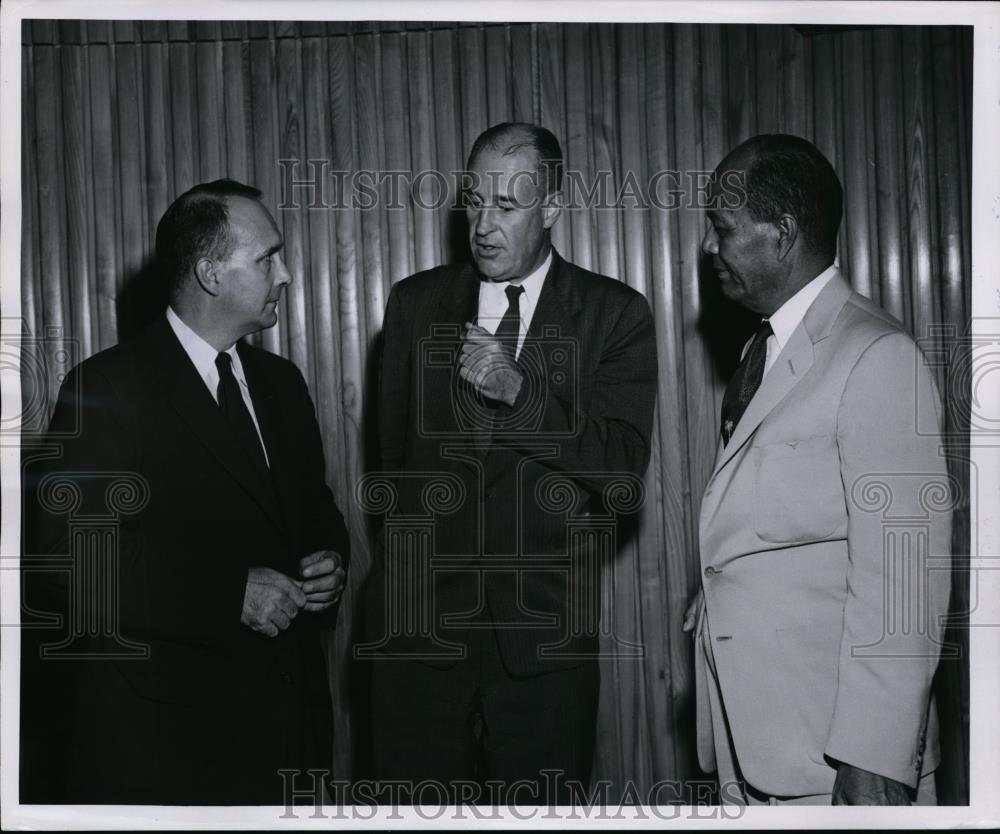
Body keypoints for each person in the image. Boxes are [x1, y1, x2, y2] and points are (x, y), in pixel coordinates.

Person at [22, 179, 350, 805]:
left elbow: (314, 511)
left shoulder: (282, 383)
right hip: (172, 753)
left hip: (290, 741)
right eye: (267, 258)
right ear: (209, 274)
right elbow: (75, 567)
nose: (285, 274)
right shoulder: (105, 390)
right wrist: (231, 594)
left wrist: (330, 560)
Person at [366, 122, 658, 803]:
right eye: (474, 201)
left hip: (542, 652)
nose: (484, 225)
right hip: (417, 644)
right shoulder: (414, 305)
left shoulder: (614, 314)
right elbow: (389, 468)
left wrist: (522, 395)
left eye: (508, 205)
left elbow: (620, 475)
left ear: (551, 209)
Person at [686, 134, 952, 805]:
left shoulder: (875, 356)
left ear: (782, 234)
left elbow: (903, 583)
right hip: (766, 748)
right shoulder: (765, 348)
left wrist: (874, 761)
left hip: (839, 767)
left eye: (723, 229)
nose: (711, 250)